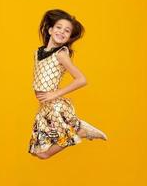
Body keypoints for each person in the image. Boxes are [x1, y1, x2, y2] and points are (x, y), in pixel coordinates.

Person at [28, 9, 108, 160]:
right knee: (39, 153)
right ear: (50, 30)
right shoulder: (37, 53)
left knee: (44, 152)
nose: (62, 32)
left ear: (69, 38)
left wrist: (54, 94)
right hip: (44, 109)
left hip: (55, 107)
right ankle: (80, 130)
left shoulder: (61, 54)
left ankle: (81, 132)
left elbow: (81, 79)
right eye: (59, 27)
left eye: (67, 31)